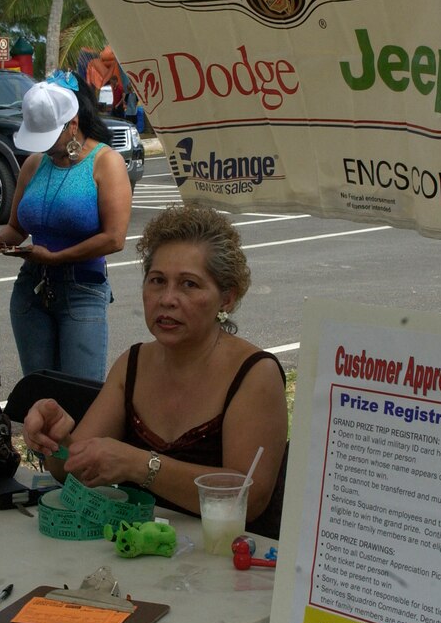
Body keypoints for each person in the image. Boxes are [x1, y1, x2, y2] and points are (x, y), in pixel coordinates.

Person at [23, 204, 289, 537]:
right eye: (157, 281)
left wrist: (140, 465)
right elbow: (69, 472)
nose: (167, 299)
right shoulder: (132, 363)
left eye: (189, 285)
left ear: (227, 299)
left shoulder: (255, 374)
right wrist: (57, 440)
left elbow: (249, 499)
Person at [0, 71, 131, 382]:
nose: (43, 148)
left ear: (73, 124)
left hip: (82, 286)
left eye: (48, 137)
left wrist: (58, 257)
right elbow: (17, 228)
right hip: (32, 287)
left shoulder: (105, 162)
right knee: (41, 391)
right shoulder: (34, 164)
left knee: (79, 394)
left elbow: (114, 239)